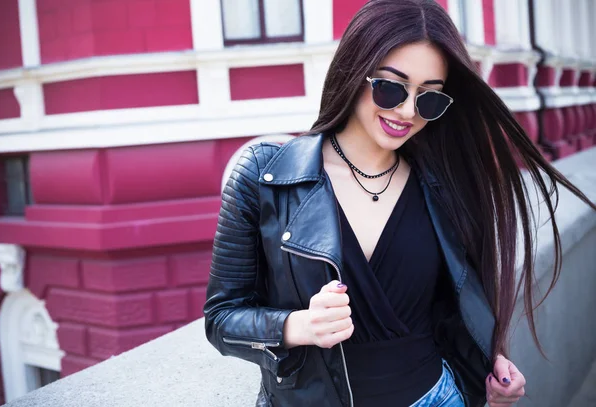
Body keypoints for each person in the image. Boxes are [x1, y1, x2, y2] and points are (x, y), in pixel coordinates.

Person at [203, 1, 596, 406]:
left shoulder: (444, 185)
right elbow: (221, 319)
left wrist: (489, 368)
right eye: (390, 87)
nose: (407, 111)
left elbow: (451, 308)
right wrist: (297, 326)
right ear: (355, 72)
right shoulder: (268, 174)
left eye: (429, 99)